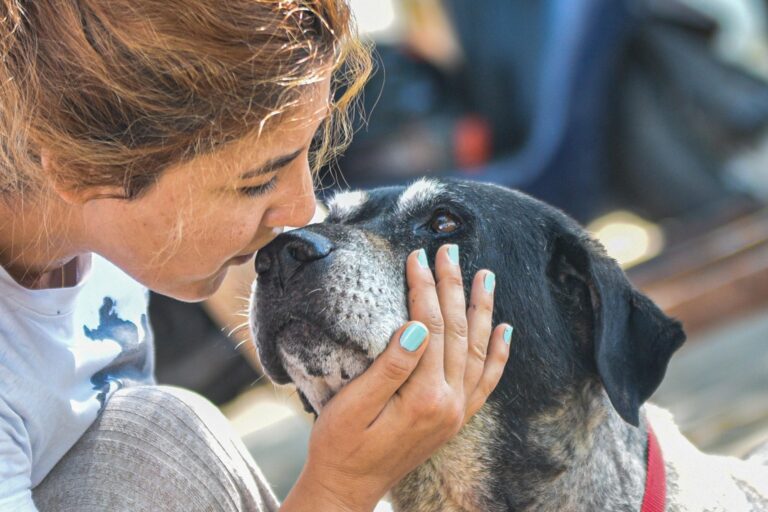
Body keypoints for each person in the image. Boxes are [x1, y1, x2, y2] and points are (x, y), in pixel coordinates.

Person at [0, 1, 513, 511]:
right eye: (258, 181)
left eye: (307, 155)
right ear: (79, 168)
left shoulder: (97, 218)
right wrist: (343, 484)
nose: (302, 210)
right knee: (149, 451)